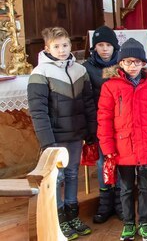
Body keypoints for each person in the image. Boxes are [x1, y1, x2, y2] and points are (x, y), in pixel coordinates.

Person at [27, 26, 96, 240]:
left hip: (75, 135)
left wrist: (91, 130)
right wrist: (47, 141)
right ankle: (59, 219)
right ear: (47, 48)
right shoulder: (40, 73)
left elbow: (88, 104)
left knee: (73, 174)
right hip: (55, 137)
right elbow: (38, 111)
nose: (62, 50)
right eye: (56, 46)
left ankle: (73, 215)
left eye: (65, 45)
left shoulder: (80, 70)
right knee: (57, 178)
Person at [97, 38, 147, 241]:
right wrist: (108, 147)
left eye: (137, 61)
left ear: (144, 62)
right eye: (128, 61)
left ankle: (144, 223)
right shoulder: (110, 87)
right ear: (120, 63)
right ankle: (128, 223)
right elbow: (104, 118)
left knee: (145, 187)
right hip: (122, 145)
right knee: (126, 188)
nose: (133, 66)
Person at [82, 25, 124, 224]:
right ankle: (105, 204)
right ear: (94, 48)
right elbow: (87, 100)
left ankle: (120, 203)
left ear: (115, 47)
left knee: (122, 162)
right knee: (102, 164)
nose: (105, 49)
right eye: (100, 45)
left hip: (122, 122)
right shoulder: (87, 68)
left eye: (108, 45)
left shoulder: (124, 65)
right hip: (101, 124)